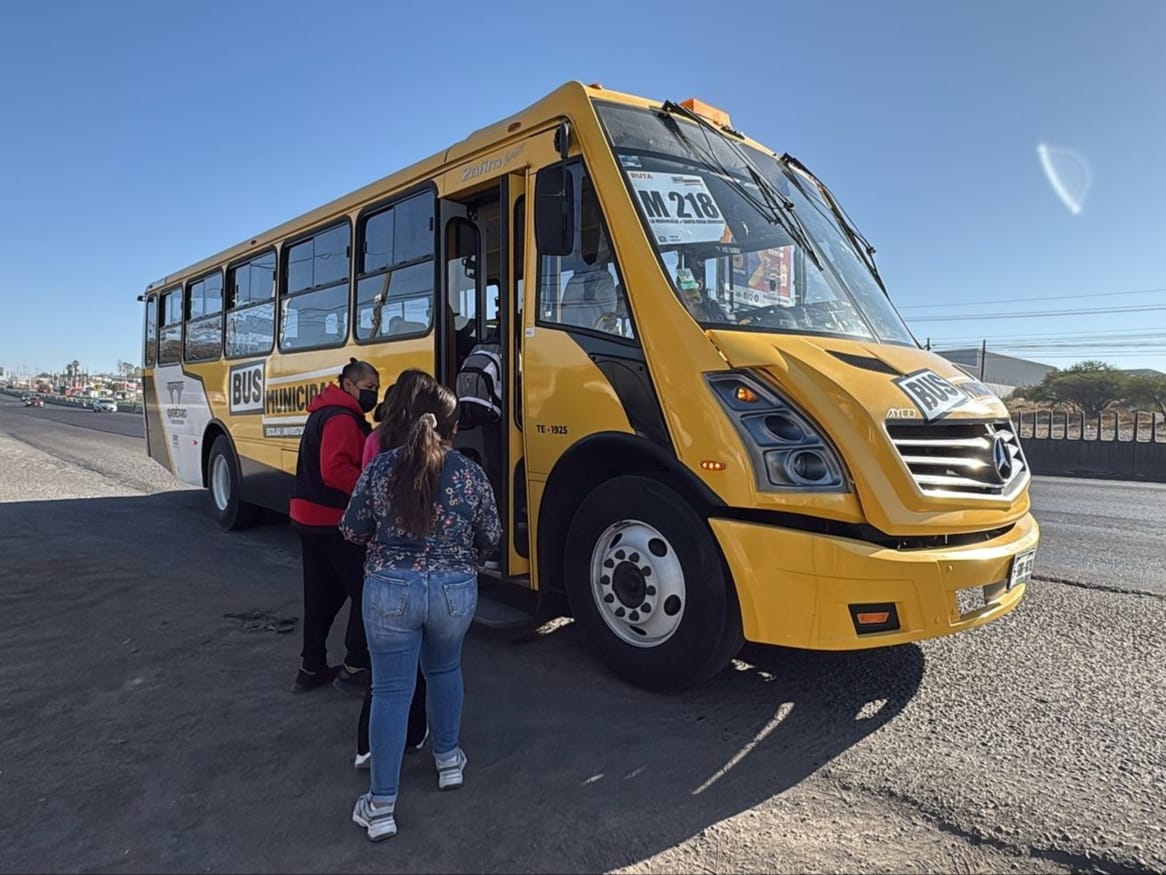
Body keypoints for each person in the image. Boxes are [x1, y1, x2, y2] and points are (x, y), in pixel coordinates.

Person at [341, 380, 501, 841]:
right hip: (454, 589)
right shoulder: (470, 473)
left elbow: (352, 529)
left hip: (391, 589)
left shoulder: (383, 467)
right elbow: (491, 534)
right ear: (453, 427)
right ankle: (449, 762)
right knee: (445, 669)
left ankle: (381, 807)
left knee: (392, 690)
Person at [353, 370, 435, 769]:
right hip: (429, 566)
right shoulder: (438, 448)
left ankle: (368, 746)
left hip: (383, 564)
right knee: (423, 661)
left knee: (384, 667)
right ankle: (415, 733)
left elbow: (362, 506)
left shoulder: (374, 441)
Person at [289, 358, 380, 695]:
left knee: (320, 596)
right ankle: (355, 666)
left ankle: (310, 668)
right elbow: (335, 470)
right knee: (366, 593)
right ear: (348, 385)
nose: (372, 395)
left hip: (308, 518)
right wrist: (373, 489)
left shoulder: (323, 413)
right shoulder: (343, 419)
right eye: (369, 388)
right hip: (333, 522)